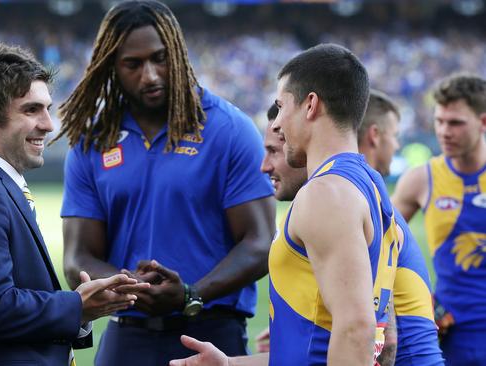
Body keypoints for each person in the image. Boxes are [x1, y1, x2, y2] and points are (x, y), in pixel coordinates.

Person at [57, 1, 276, 365]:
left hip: (211, 331)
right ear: (111, 66)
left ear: (177, 53)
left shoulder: (228, 129)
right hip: (127, 332)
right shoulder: (92, 141)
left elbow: (260, 241)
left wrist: (191, 293)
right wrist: (131, 287)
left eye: (160, 58)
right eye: (133, 64)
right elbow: (77, 257)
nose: (151, 76)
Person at [171, 43, 400, 366]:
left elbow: (355, 330)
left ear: (310, 105)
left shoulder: (325, 194)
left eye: (280, 106)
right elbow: (320, 343)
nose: (276, 123)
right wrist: (230, 364)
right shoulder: (370, 184)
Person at [0, 43, 147, 366]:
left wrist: (82, 312)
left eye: (47, 108)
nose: (48, 124)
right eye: (31, 110)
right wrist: (75, 306)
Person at [257, 95, 444, 365]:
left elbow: (380, 344)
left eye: (275, 150)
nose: (266, 165)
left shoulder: (336, 206)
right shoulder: (362, 202)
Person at [392, 73, 486, 365]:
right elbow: (380, 245)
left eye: (456, 123)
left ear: (483, 122)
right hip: (449, 334)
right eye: (439, 121)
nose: (444, 131)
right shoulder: (421, 179)